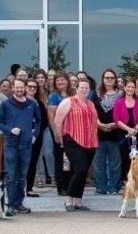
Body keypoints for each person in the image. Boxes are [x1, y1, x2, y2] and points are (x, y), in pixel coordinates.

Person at [0, 78, 41, 216]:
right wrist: (10, 130)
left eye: (22, 87)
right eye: (17, 87)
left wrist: (35, 135)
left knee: (22, 176)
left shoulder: (31, 104)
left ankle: (19, 203)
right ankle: (10, 205)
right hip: (11, 143)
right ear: (13, 88)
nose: (19, 90)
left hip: (26, 144)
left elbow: (38, 120)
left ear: (25, 88)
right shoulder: (5, 104)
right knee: (11, 175)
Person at [54, 78, 98, 212]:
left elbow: (95, 121)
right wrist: (61, 139)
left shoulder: (90, 103)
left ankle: (78, 201)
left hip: (90, 141)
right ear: (76, 88)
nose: (84, 90)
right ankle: (68, 200)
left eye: (86, 88)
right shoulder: (68, 102)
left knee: (83, 172)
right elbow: (57, 121)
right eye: (82, 87)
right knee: (80, 169)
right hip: (72, 139)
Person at [92, 68, 122, 195]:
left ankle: (114, 187)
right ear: (103, 79)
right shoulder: (96, 94)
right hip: (99, 133)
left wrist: (115, 124)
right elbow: (92, 112)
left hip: (116, 133)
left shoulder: (121, 94)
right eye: (107, 78)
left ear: (115, 79)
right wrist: (98, 124)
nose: (109, 80)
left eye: (111, 78)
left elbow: (124, 112)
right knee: (99, 163)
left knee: (115, 164)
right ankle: (101, 187)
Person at [113, 78, 138, 179]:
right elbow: (116, 119)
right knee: (124, 158)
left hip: (137, 134)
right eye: (128, 87)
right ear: (124, 87)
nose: (131, 89)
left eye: (133, 87)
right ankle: (125, 181)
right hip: (123, 134)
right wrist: (128, 129)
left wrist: (135, 129)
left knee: (137, 159)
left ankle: (137, 181)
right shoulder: (119, 102)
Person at [48, 72, 73, 196]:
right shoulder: (53, 96)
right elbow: (51, 116)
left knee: (70, 160)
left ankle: (69, 186)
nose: (60, 82)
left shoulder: (72, 95)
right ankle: (61, 187)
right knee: (60, 160)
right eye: (58, 81)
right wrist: (56, 133)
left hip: (72, 133)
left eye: (62, 80)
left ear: (67, 81)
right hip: (59, 132)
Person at [25, 79, 48, 198]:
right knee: (21, 162)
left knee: (33, 162)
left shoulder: (39, 103)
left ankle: (29, 188)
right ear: (25, 87)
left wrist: (36, 134)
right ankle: (19, 188)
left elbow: (44, 121)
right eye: (30, 86)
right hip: (21, 137)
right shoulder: (19, 101)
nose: (32, 89)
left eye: (34, 87)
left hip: (36, 137)